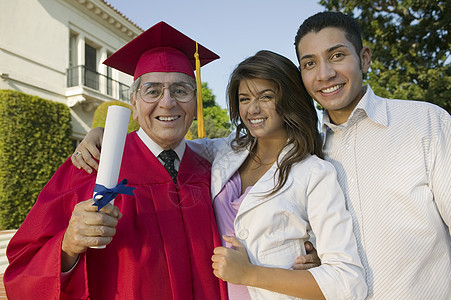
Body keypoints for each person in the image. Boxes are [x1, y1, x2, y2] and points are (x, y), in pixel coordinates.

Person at [72, 50, 367, 299]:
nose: (253, 109)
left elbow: (347, 280)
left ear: (288, 99)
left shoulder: (315, 173)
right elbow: (167, 139)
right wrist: (103, 134)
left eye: (266, 96)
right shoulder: (226, 152)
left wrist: (251, 273)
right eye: (244, 98)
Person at [4, 21, 227, 300]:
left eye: (181, 90)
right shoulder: (92, 165)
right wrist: (68, 245)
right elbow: (23, 267)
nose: (168, 102)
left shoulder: (216, 171)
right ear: (133, 103)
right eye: (152, 90)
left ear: (195, 104)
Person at [293, 12, 450, 299]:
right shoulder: (307, 156)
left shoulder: (426, 123)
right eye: (310, 63)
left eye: (337, 55)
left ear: (364, 58)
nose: (324, 73)